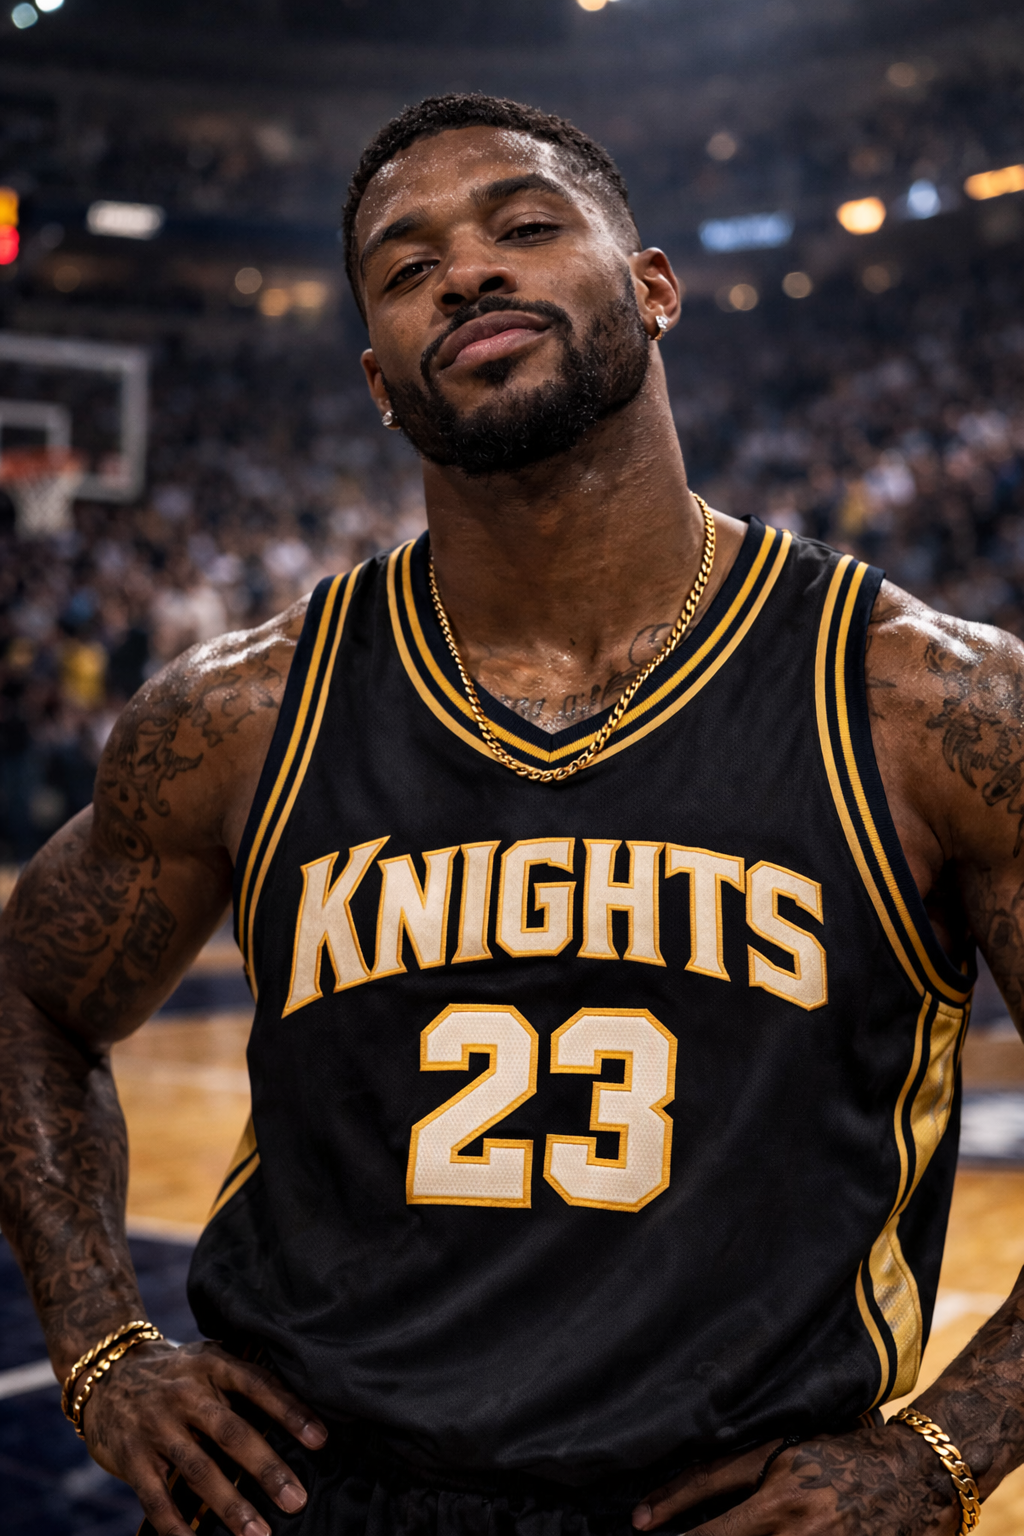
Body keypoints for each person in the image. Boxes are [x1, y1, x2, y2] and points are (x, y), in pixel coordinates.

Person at [0, 92, 1021, 1536]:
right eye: (406, 268)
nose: (467, 270)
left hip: (731, 1504)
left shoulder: (922, 705)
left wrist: (945, 1452)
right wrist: (104, 1355)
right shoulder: (244, 714)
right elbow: (30, 1001)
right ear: (378, 377)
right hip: (309, 1493)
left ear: (655, 288)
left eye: (526, 226)